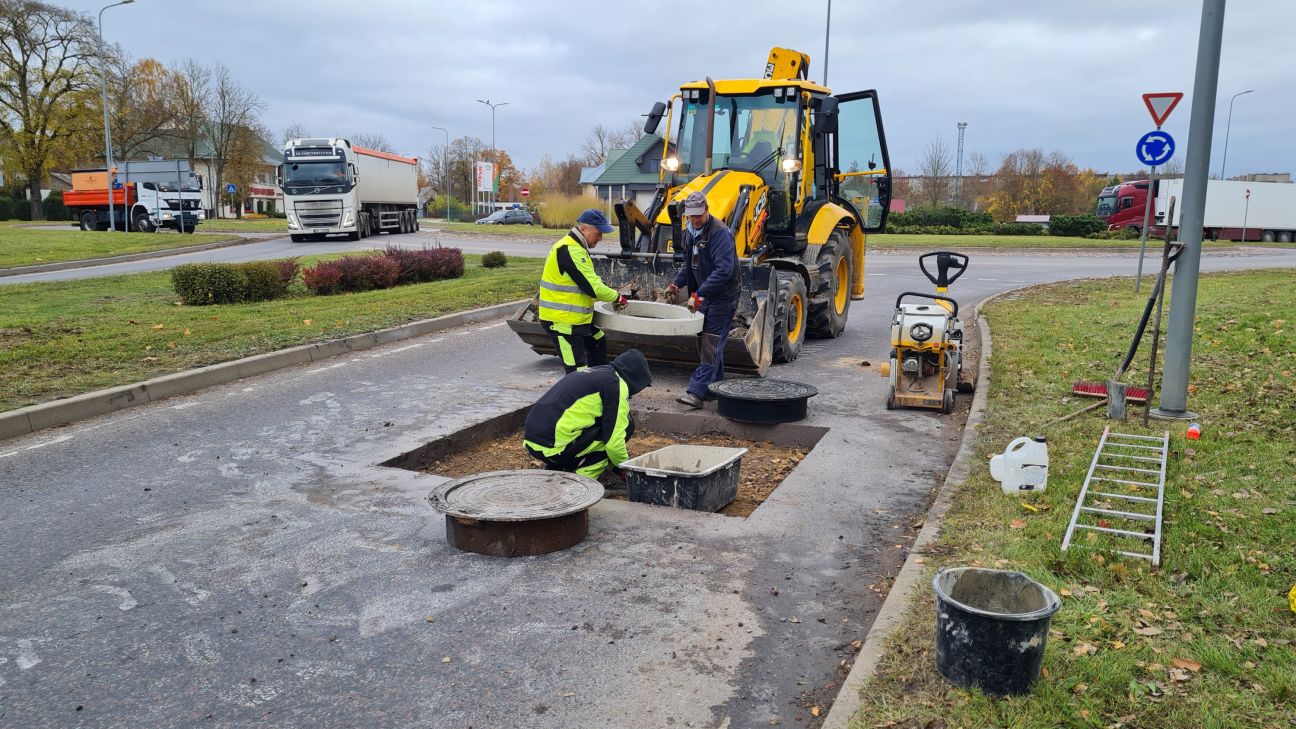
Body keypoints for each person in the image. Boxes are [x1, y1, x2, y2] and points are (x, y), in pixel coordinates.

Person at [523, 349, 652, 480]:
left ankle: (559, 467)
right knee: (624, 428)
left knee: (598, 424)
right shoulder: (616, 385)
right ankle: (585, 480)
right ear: (637, 378)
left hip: (533, 442)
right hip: (554, 448)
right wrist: (623, 467)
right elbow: (614, 441)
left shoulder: (598, 373)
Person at [666, 192, 739, 409]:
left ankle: (696, 393)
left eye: (699, 215)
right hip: (705, 295)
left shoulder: (719, 233)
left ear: (707, 209)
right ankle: (715, 388)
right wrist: (676, 284)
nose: (695, 219)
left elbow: (724, 270)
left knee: (710, 343)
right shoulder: (690, 234)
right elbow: (689, 266)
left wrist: (700, 293)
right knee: (706, 343)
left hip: (723, 296)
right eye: (691, 216)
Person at [537, 208, 628, 372]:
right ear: (583, 229)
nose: (600, 238)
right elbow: (593, 288)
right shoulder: (570, 250)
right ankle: (583, 393)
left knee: (598, 341)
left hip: (575, 321)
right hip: (562, 323)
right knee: (577, 372)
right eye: (598, 233)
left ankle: (599, 383)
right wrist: (617, 297)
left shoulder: (576, 247)